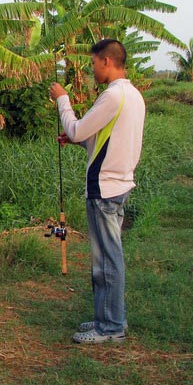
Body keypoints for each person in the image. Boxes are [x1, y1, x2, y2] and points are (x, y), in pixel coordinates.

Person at [49, 39, 145, 344]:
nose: (92, 69)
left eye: (93, 63)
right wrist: (78, 140)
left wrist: (63, 100)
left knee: (107, 259)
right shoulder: (133, 96)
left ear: (106, 61)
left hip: (104, 189)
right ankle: (107, 318)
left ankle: (111, 326)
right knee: (106, 258)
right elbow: (101, 138)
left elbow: (78, 128)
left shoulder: (113, 96)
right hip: (119, 184)